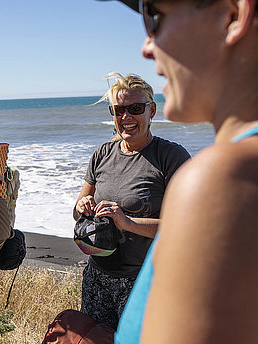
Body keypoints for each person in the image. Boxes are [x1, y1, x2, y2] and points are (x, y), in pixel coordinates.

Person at [0, 0, 258, 344]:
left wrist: (127, 222)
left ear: (233, 15)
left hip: (136, 273)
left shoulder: (219, 177)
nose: (146, 44)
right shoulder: (108, 155)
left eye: (155, 15)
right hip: (101, 273)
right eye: (118, 110)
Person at [74, 73, 190, 330]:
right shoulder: (102, 154)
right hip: (97, 277)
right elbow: (77, 211)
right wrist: (83, 208)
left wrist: (127, 222)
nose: (125, 117)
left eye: (135, 109)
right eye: (118, 110)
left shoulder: (171, 157)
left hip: (145, 280)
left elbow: (187, 228)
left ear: (152, 110)